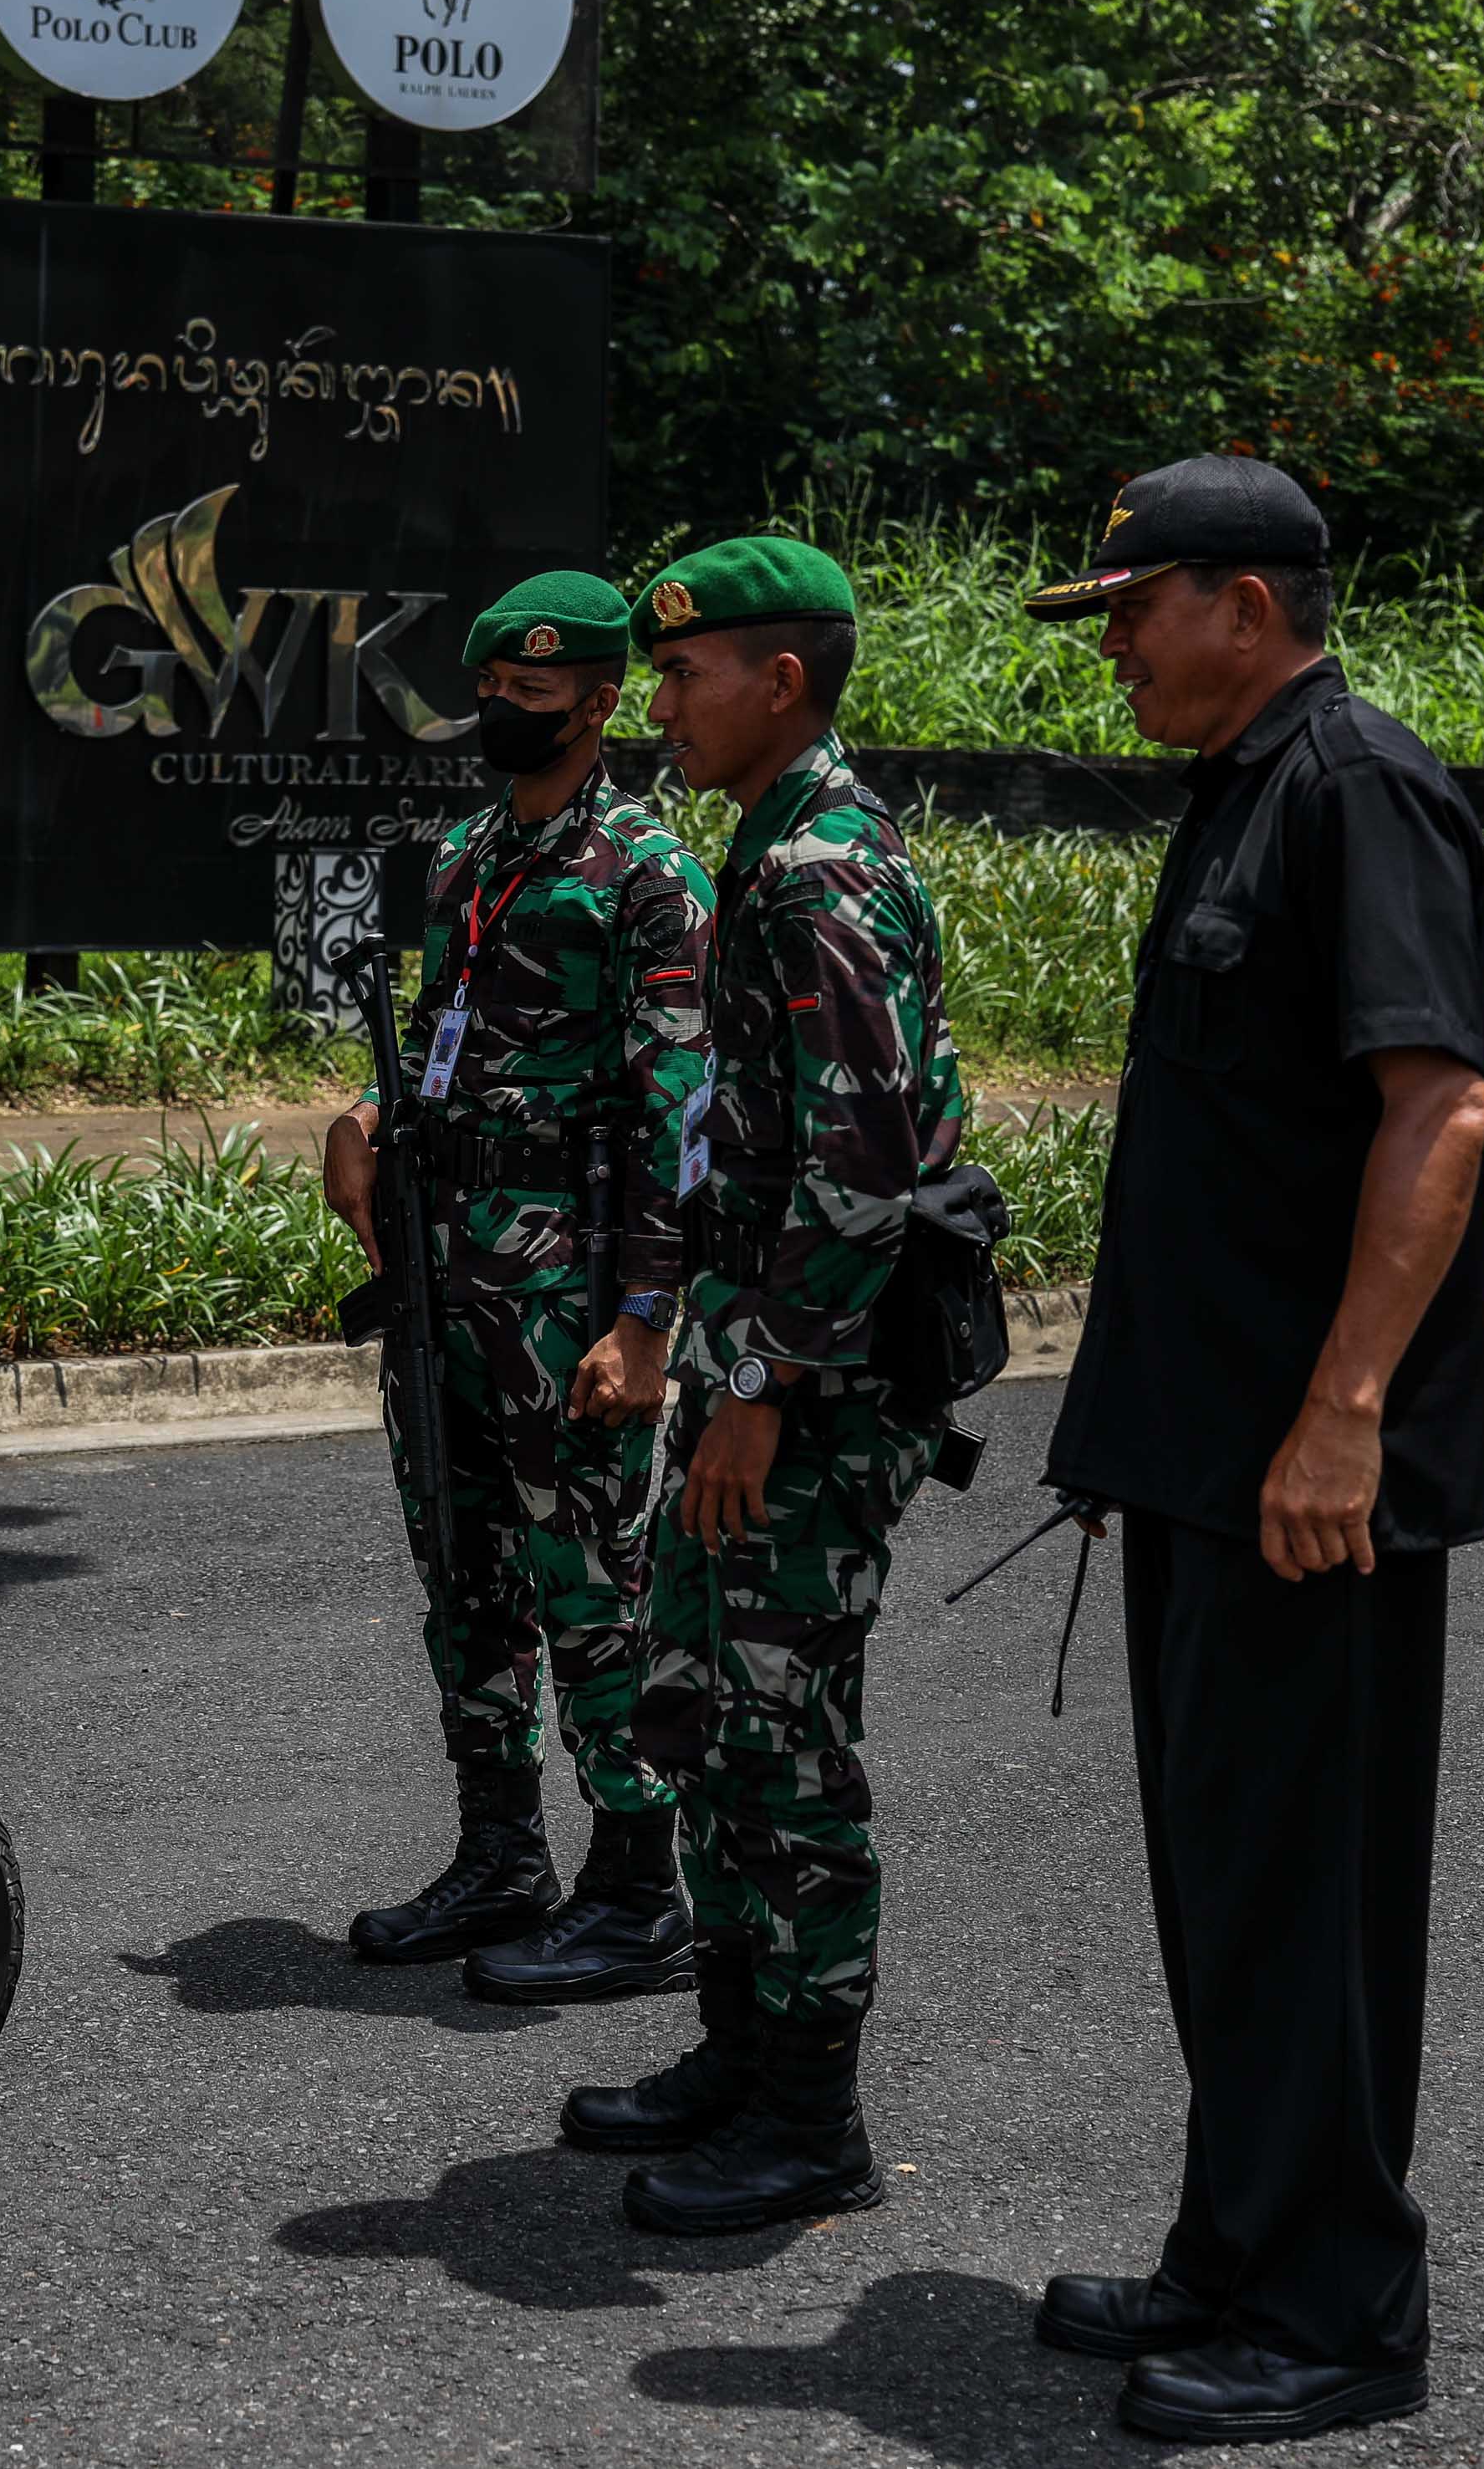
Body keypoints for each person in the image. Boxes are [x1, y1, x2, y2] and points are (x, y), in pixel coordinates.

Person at [1018, 456, 1484, 2446]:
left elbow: (1440, 1109)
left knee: (1305, 1890)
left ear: (1245, 599)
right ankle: (1233, 2242)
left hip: (1306, 1472)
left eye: (1132, 607)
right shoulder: (1241, 785)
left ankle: (1334, 2305)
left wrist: (1341, 1417)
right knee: (1223, 1874)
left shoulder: (1358, 783)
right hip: (1205, 1455)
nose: (1110, 646)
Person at [555, 535, 969, 2237]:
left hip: (806, 1388)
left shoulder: (817, 870)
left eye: (679, 671)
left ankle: (812, 2118)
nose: (655, 702)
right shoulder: (781, 845)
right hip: (759, 1362)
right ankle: (738, 2053)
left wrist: (766, 1386)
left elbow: (867, 1162)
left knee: (786, 1745)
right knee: (718, 1717)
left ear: (776, 678)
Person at [322, 571, 712, 2004]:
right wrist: (366, 1120)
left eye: (530, 694)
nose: (499, 712)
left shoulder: (649, 875)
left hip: (572, 1287)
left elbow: (684, 1107)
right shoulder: (470, 856)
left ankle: (635, 1882)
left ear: (601, 701)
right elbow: (442, 1039)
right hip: (449, 1276)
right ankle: (501, 1852)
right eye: (489, 689)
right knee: (466, 1572)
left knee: (589, 1580)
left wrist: (646, 1319)